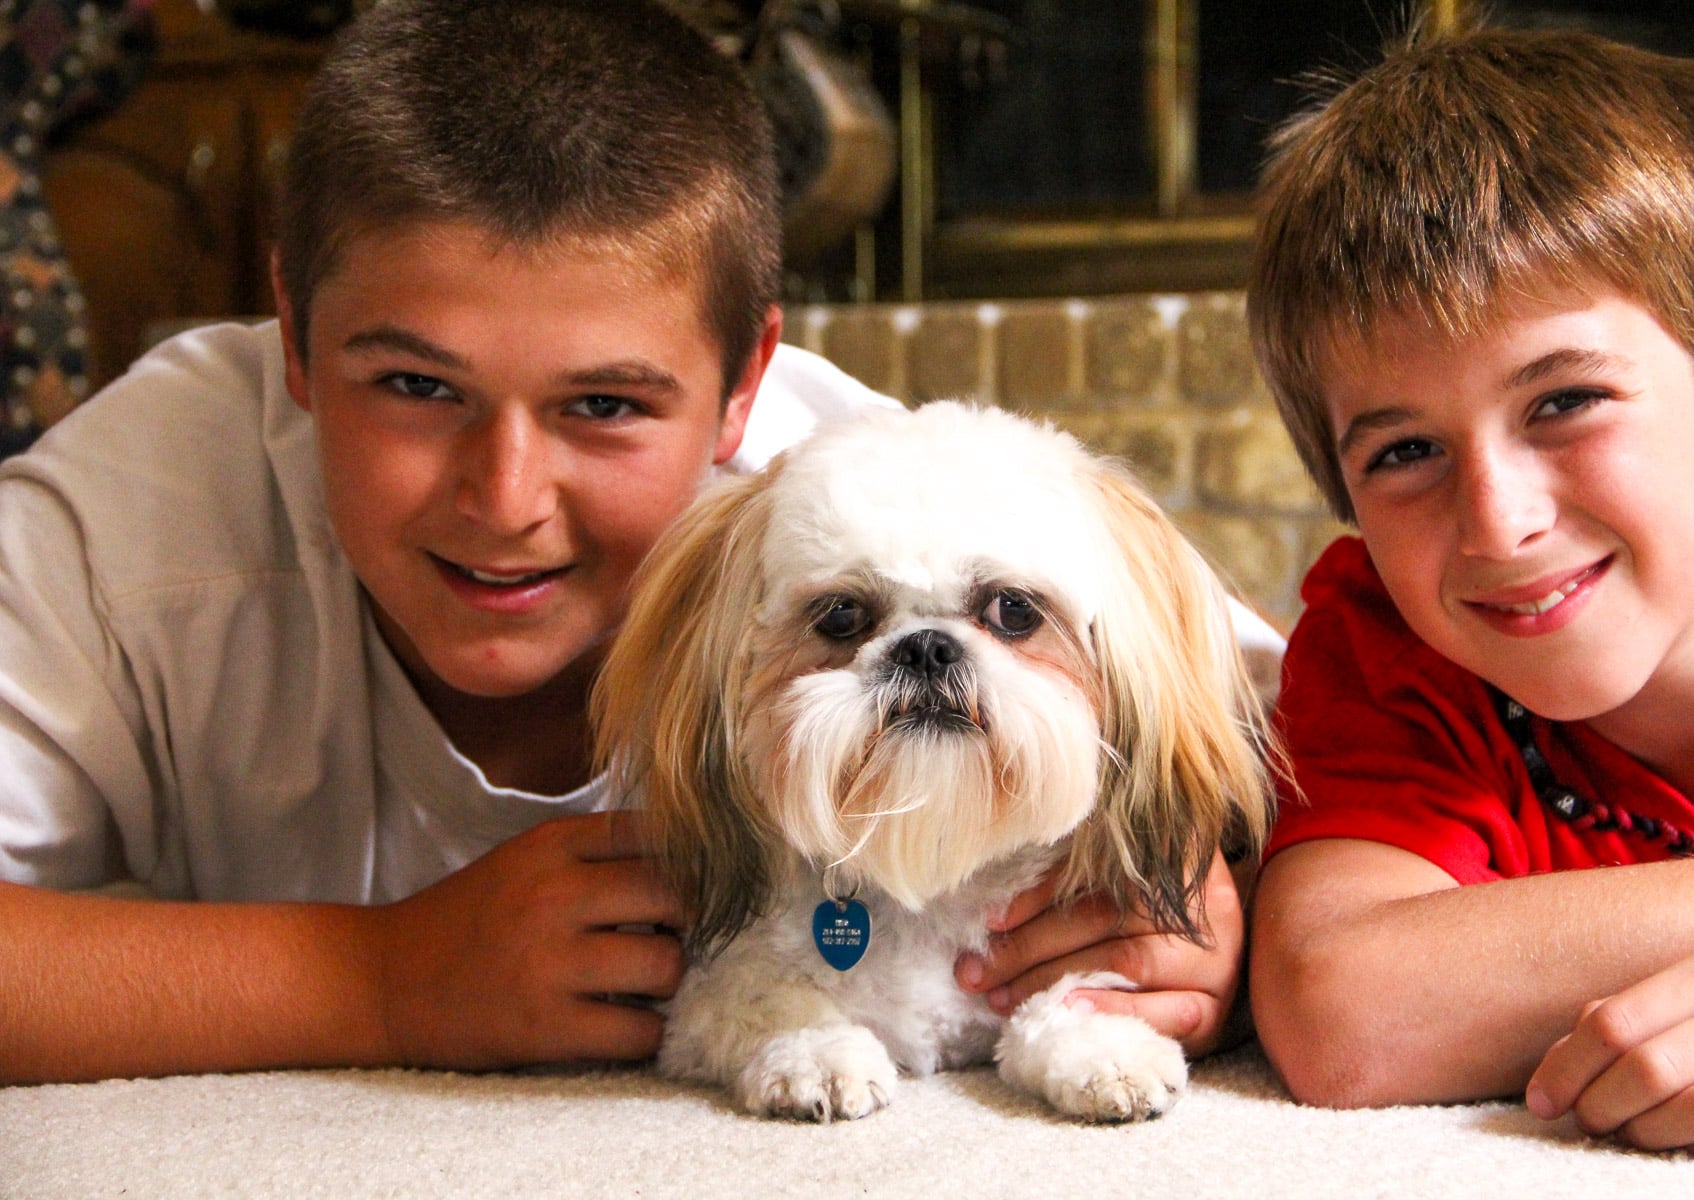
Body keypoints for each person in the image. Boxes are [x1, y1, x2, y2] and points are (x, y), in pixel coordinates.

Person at [0, 0, 1257, 1085]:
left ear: (744, 388)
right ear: (292, 335)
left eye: (602, 406)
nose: (503, 498)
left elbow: (1302, 733)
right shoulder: (134, 513)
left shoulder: (891, 494)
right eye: (416, 387)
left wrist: (1224, 906)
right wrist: (375, 980)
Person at [1244, 23, 1694, 1166]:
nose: (1500, 522)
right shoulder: (1388, 646)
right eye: (1403, 453)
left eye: (1566, 402)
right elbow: (1341, 1009)